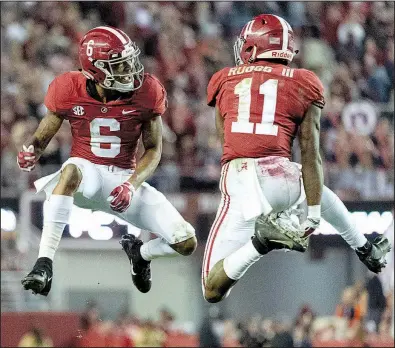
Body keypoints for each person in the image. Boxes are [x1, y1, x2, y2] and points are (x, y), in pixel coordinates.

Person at [202, 14, 391, 303]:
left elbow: (226, 140)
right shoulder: (304, 81)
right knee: (308, 186)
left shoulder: (223, 79)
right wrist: (313, 214)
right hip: (285, 177)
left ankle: (261, 243)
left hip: (242, 179)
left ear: (251, 48)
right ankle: (365, 248)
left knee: (213, 288)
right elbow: (310, 152)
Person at [19, 26, 197, 296]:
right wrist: (31, 151)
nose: (130, 70)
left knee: (186, 241)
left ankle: (141, 255)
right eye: (119, 65)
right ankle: (44, 263)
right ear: (96, 69)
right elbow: (42, 137)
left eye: (128, 62)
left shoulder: (148, 90)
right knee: (70, 171)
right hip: (86, 176)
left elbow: (153, 150)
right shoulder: (68, 87)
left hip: (125, 180)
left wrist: (131, 185)